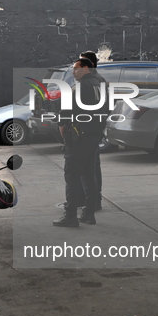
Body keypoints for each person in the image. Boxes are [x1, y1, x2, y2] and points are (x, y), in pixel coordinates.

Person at [53, 58, 108, 227]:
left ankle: (70, 216)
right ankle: (89, 213)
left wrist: (64, 131)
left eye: (76, 69)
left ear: (86, 68)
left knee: (72, 176)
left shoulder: (80, 87)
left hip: (78, 137)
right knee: (89, 174)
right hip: (94, 135)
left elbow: (65, 113)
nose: (73, 72)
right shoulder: (102, 83)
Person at [79, 51, 105, 211]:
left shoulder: (86, 82)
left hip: (86, 131)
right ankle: (95, 201)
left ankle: (89, 203)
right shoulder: (100, 81)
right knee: (94, 166)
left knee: (86, 169)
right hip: (96, 129)